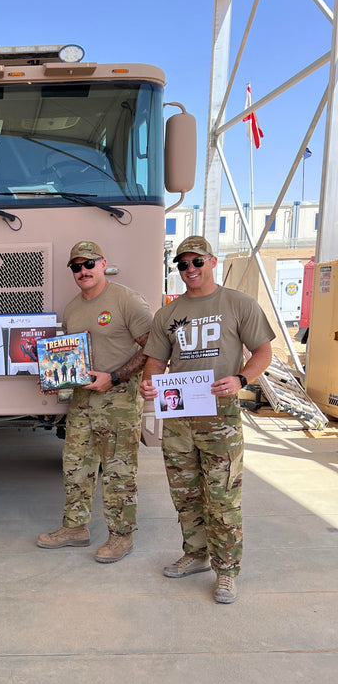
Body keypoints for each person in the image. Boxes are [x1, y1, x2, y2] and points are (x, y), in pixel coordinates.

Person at [139, 235, 275, 604]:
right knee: (185, 493)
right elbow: (155, 361)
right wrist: (149, 384)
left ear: (212, 262)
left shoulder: (238, 304)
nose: (190, 269)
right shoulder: (167, 314)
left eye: (197, 261)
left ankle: (227, 570)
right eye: (183, 264)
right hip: (179, 416)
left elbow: (263, 351)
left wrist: (242, 379)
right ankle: (196, 554)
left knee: (222, 495)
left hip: (220, 416)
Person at [37, 240, 153, 562]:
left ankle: (121, 536)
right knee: (76, 464)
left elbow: (153, 346)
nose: (83, 271)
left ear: (103, 264)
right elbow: (71, 356)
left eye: (89, 264)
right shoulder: (73, 308)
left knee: (117, 469)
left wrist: (114, 377)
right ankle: (75, 527)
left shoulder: (126, 300)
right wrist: (55, 379)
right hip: (82, 399)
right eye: (77, 267)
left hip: (118, 399)